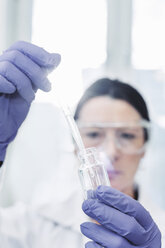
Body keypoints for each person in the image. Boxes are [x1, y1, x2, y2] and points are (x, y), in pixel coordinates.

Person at [0, 41, 162, 247]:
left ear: (144, 147)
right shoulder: (32, 225)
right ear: (76, 147)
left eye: (127, 136)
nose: (110, 152)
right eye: (94, 134)